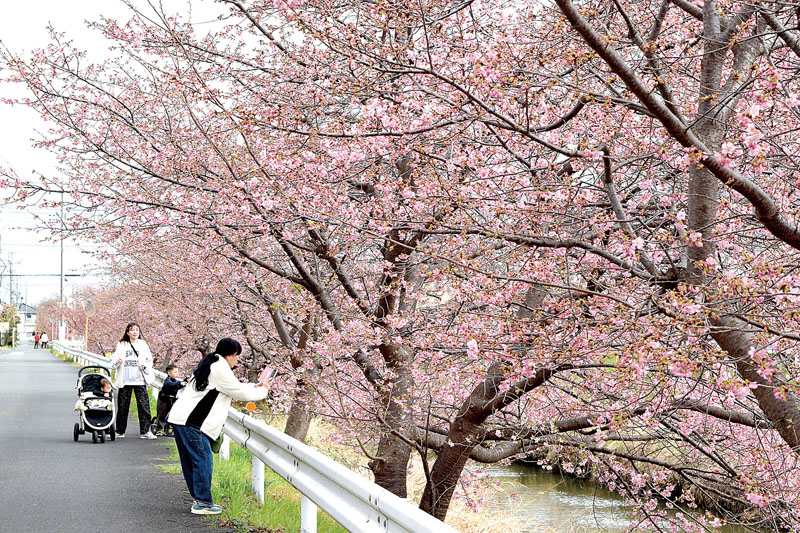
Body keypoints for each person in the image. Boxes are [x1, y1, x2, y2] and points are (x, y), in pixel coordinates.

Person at [168, 338, 270, 515]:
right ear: (230, 355)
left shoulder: (212, 362)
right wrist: (264, 390)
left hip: (180, 418)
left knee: (191, 461)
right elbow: (240, 392)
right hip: (192, 423)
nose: (237, 360)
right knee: (203, 460)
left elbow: (232, 387)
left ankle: (199, 499)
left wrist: (254, 385)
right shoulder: (220, 368)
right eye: (237, 356)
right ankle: (203, 503)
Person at [111, 322, 156, 439]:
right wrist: (117, 362)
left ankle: (145, 431)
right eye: (132, 330)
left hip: (140, 379)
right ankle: (120, 431)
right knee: (122, 406)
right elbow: (113, 360)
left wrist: (145, 366)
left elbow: (149, 360)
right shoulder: (122, 344)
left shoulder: (143, 344)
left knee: (144, 406)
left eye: (137, 330)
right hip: (125, 380)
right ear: (127, 332)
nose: (135, 332)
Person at [155, 364, 186, 435]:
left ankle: (167, 427)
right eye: (175, 372)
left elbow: (177, 385)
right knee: (162, 413)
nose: (177, 374)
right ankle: (159, 428)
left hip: (171, 399)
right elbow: (171, 385)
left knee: (171, 413)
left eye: (178, 372)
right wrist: (180, 383)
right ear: (169, 373)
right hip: (163, 399)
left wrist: (184, 381)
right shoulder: (167, 380)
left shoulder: (175, 381)